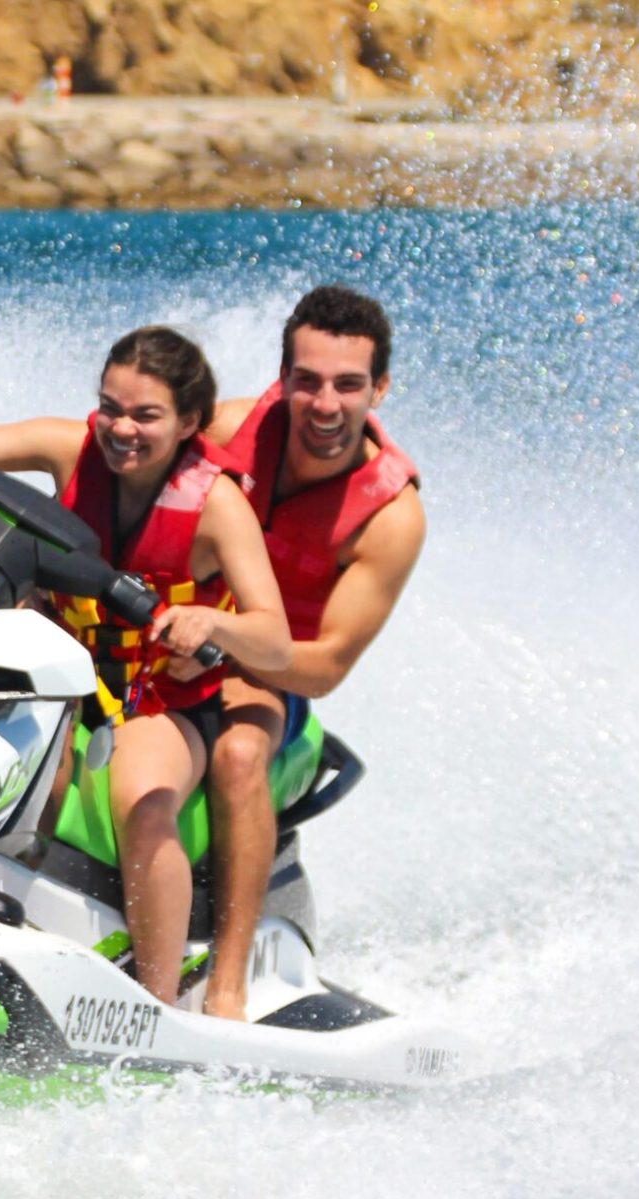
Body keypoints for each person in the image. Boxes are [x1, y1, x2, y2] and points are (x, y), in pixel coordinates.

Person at [0, 327, 291, 1006]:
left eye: (146, 415)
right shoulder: (69, 447)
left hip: (159, 698)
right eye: (110, 408)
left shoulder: (217, 505)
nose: (121, 429)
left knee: (142, 805)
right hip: (63, 671)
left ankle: (158, 1005)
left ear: (189, 422)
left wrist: (213, 623)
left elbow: (275, 639)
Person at [194, 285, 424, 1021]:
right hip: (165, 629)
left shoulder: (389, 518)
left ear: (379, 389)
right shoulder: (227, 430)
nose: (325, 405)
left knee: (237, 756)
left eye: (348, 385)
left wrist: (224, 638)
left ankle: (227, 987)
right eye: (308, 381)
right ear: (284, 378)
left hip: (271, 673)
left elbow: (324, 668)